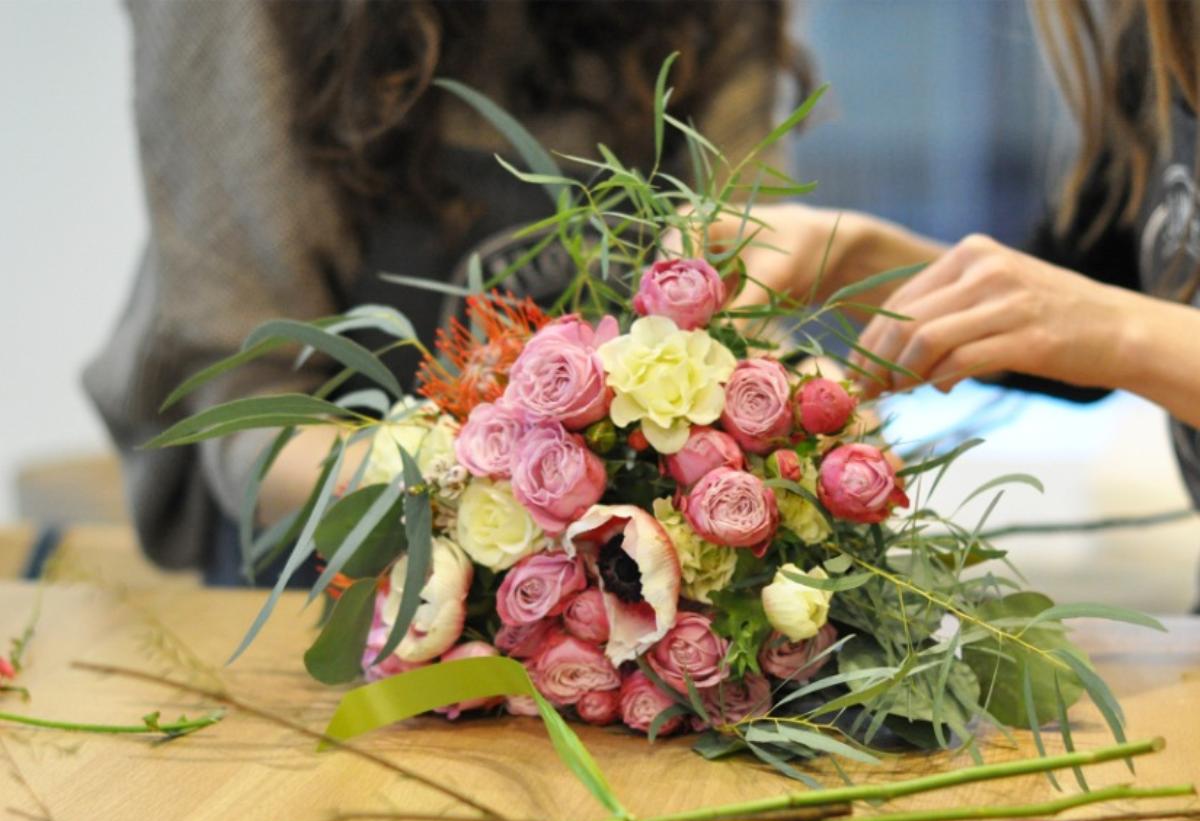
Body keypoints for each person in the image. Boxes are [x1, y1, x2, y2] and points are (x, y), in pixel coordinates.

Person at [84, 0, 805, 583]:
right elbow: (255, 416)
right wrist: (518, 500)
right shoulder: (242, 19)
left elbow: (740, 303)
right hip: (332, 562)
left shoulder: (710, 13)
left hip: (620, 576)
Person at [707, 0, 1200, 523]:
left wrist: (1121, 332)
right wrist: (853, 258)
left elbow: (1095, 320)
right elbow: (1081, 310)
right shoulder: (1155, 29)